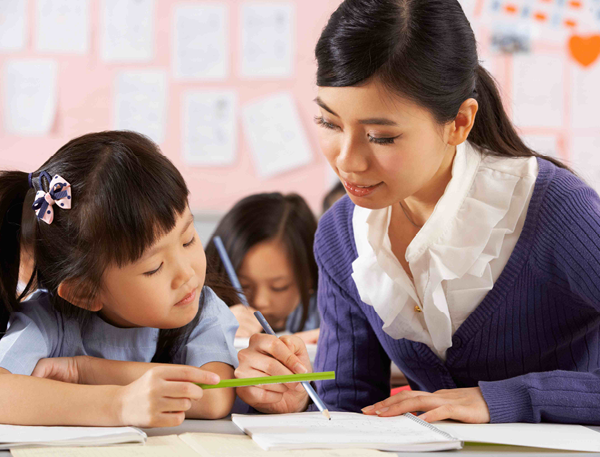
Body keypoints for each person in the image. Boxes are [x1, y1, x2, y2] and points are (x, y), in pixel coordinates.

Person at [234, 0, 600, 425]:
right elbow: (350, 402)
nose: (348, 161)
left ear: (459, 122)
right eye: (330, 124)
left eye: (381, 136)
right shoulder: (340, 234)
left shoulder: (556, 209)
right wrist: (296, 400)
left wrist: (500, 400)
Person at [0, 131, 239, 427]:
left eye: (188, 240)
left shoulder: (201, 309)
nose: (187, 274)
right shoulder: (52, 323)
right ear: (84, 293)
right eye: (154, 268)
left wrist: (84, 371)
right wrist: (117, 405)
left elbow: (215, 392)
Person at [205, 193, 320, 344]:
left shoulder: (334, 315)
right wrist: (211, 333)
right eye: (244, 285)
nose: (261, 302)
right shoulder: (205, 317)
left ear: (309, 278)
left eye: (279, 287)